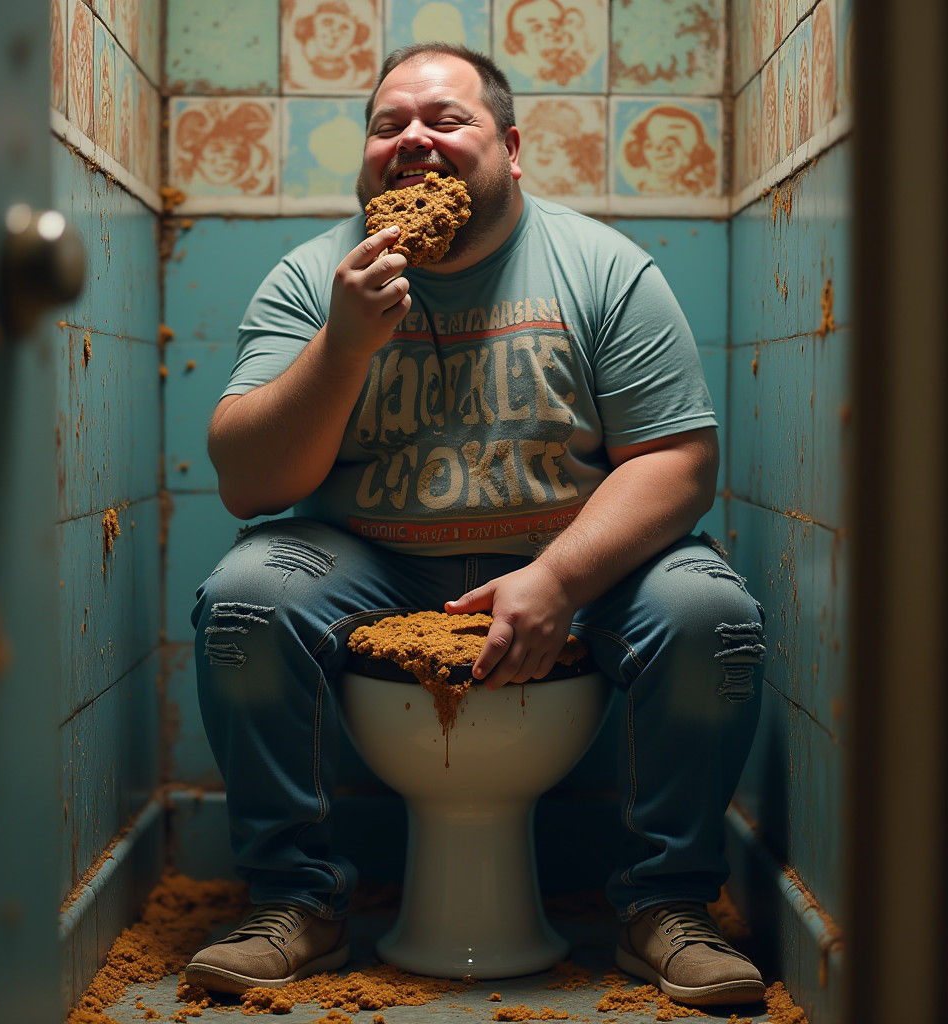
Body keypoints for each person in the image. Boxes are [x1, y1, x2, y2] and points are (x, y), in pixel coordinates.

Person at [186, 42, 767, 1009]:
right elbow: (249, 481)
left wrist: (561, 579)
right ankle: (298, 899)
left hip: (576, 558)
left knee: (712, 616)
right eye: (386, 126)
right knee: (244, 604)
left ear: (512, 147)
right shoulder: (312, 279)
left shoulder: (604, 268)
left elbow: (680, 462)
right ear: (366, 156)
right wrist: (345, 345)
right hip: (367, 559)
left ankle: (662, 904)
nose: (412, 139)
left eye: (446, 120)